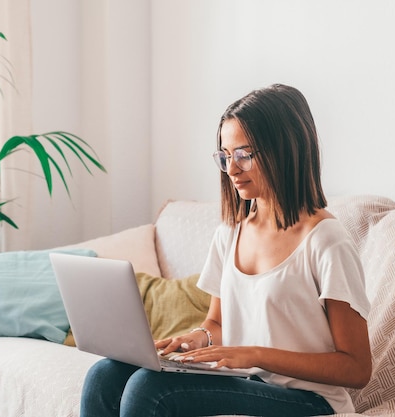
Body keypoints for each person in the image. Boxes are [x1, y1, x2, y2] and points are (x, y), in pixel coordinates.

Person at [79, 84, 372, 417]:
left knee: (150, 389)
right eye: (225, 156)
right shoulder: (230, 233)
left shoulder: (325, 241)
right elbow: (216, 321)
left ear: (285, 149)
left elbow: (357, 368)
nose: (232, 169)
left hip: (308, 401)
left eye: (244, 155)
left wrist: (254, 354)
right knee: (105, 375)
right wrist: (195, 339)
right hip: (245, 382)